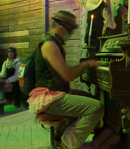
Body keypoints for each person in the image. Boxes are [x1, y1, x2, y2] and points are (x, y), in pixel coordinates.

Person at [27, 10, 104, 149]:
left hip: (54, 93)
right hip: (49, 97)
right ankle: (67, 146)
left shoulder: (54, 43)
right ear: (61, 29)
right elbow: (68, 75)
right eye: (70, 32)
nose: (69, 36)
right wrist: (87, 64)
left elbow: (64, 71)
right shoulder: (50, 45)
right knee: (96, 107)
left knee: (88, 97)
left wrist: (83, 65)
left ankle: (59, 137)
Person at [0, 47, 22, 115]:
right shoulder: (6, 62)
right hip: (6, 81)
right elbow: (3, 73)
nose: (10, 54)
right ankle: (2, 98)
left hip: (15, 82)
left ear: (15, 53)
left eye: (12, 52)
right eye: (9, 52)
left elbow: (17, 76)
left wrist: (6, 81)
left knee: (1, 87)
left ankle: (1, 109)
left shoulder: (19, 62)